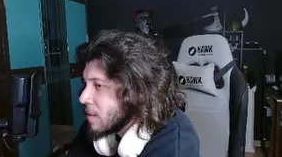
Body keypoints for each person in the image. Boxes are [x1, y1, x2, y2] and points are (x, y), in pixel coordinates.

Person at [69, 29, 201, 157]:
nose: (83, 97)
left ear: (137, 92)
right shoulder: (99, 124)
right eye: (85, 83)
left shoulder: (174, 145)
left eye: (98, 85)